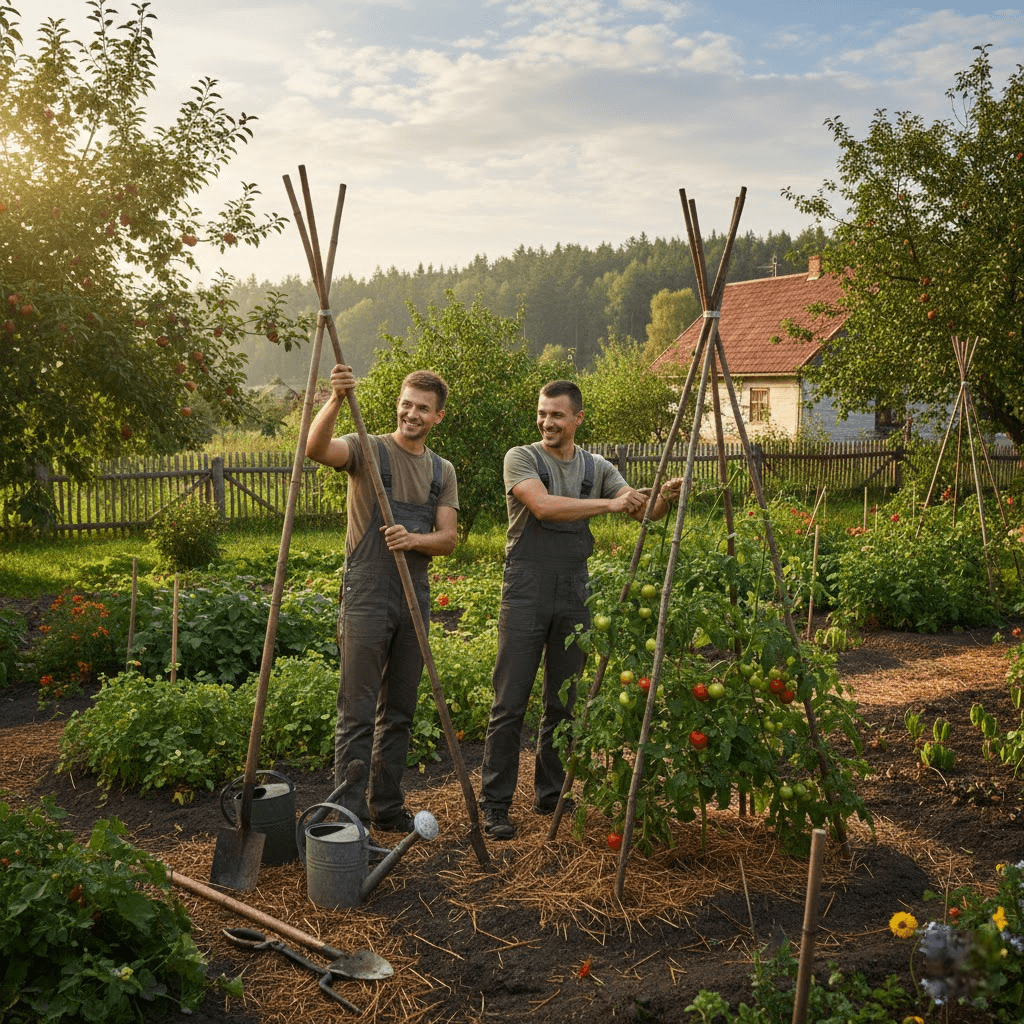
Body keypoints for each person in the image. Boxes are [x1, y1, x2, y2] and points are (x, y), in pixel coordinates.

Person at [479, 379, 682, 840]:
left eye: (556, 415)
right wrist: (610, 504)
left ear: (577, 419)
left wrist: (662, 497)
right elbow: (544, 507)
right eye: (542, 413)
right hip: (526, 587)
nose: (547, 422)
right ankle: (495, 804)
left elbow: (640, 512)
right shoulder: (522, 457)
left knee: (564, 699)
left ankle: (551, 793)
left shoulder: (596, 467)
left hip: (575, 587)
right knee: (509, 701)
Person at [306, 364, 458, 835]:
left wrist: (413, 539)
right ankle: (348, 817)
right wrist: (334, 399)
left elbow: (449, 538)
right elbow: (315, 449)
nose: (411, 413)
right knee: (357, 710)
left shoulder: (441, 470)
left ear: (438, 417)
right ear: (398, 402)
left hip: (414, 594)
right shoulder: (368, 450)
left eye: (423, 408)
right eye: (406, 403)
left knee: (400, 710)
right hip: (368, 592)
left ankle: (386, 807)